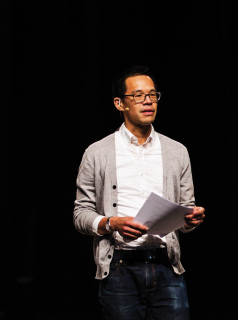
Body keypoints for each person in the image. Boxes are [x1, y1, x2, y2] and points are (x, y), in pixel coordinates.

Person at [73, 66, 205, 319]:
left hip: (167, 267)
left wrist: (191, 219)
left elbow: (187, 211)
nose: (148, 101)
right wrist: (111, 223)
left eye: (153, 95)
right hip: (119, 267)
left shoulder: (177, 151)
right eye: (138, 95)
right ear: (119, 103)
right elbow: (80, 213)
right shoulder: (97, 152)